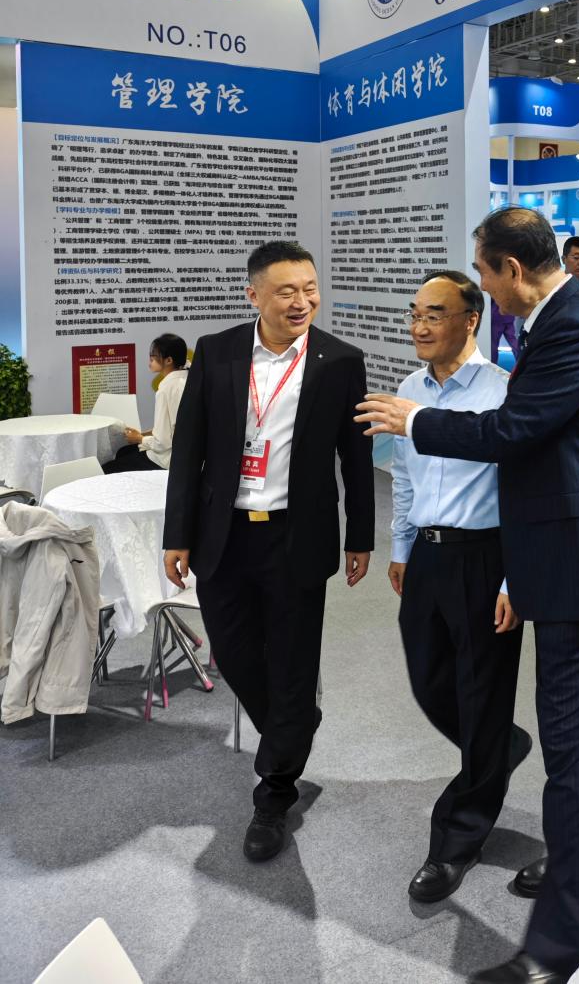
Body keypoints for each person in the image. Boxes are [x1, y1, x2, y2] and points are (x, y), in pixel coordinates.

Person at [357, 207, 579, 984]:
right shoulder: (567, 317)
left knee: (574, 758)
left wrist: (416, 420)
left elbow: (509, 432)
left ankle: (556, 952)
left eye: (484, 275)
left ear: (512, 270)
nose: (485, 290)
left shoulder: (568, 327)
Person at [163, 241, 374, 863]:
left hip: (295, 536)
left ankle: (274, 791)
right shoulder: (218, 351)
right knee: (233, 653)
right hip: (223, 534)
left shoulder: (340, 359)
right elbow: (189, 449)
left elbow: (355, 456)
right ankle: (294, 723)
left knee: (292, 660)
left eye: (310, 289)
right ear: (253, 294)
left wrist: (360, 535)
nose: (302, 301)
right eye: (287, 291)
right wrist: (177, 533)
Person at [389, 271, 531, 903]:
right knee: (430, 680)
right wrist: (401, 547)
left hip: (485, 558)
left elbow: (525, 496)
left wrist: (513, 579)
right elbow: (403, 476)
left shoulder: (504, 391)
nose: (420, 326)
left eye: (435, 314)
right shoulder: (408, 390)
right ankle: (499, 745)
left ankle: (456, 840)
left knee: (482, 693)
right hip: (427, 555)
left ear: (471, 319)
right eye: (415, 314)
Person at [103, 333, 189, 473]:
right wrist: (144, 434)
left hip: (167, 459)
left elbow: (162, 443)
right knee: (124, 452)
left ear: (168, 360)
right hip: (189, 454)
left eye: (153, 358)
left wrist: (140, 438)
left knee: (107, 469)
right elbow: (173, 425)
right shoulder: (188, 378)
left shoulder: (165, 389)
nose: (150, 362)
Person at [490, 295, 520, 365]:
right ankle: (522, 360)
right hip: (509, 316)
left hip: (496, 318)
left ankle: (492, 365)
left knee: (493, 344)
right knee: (513, 341)